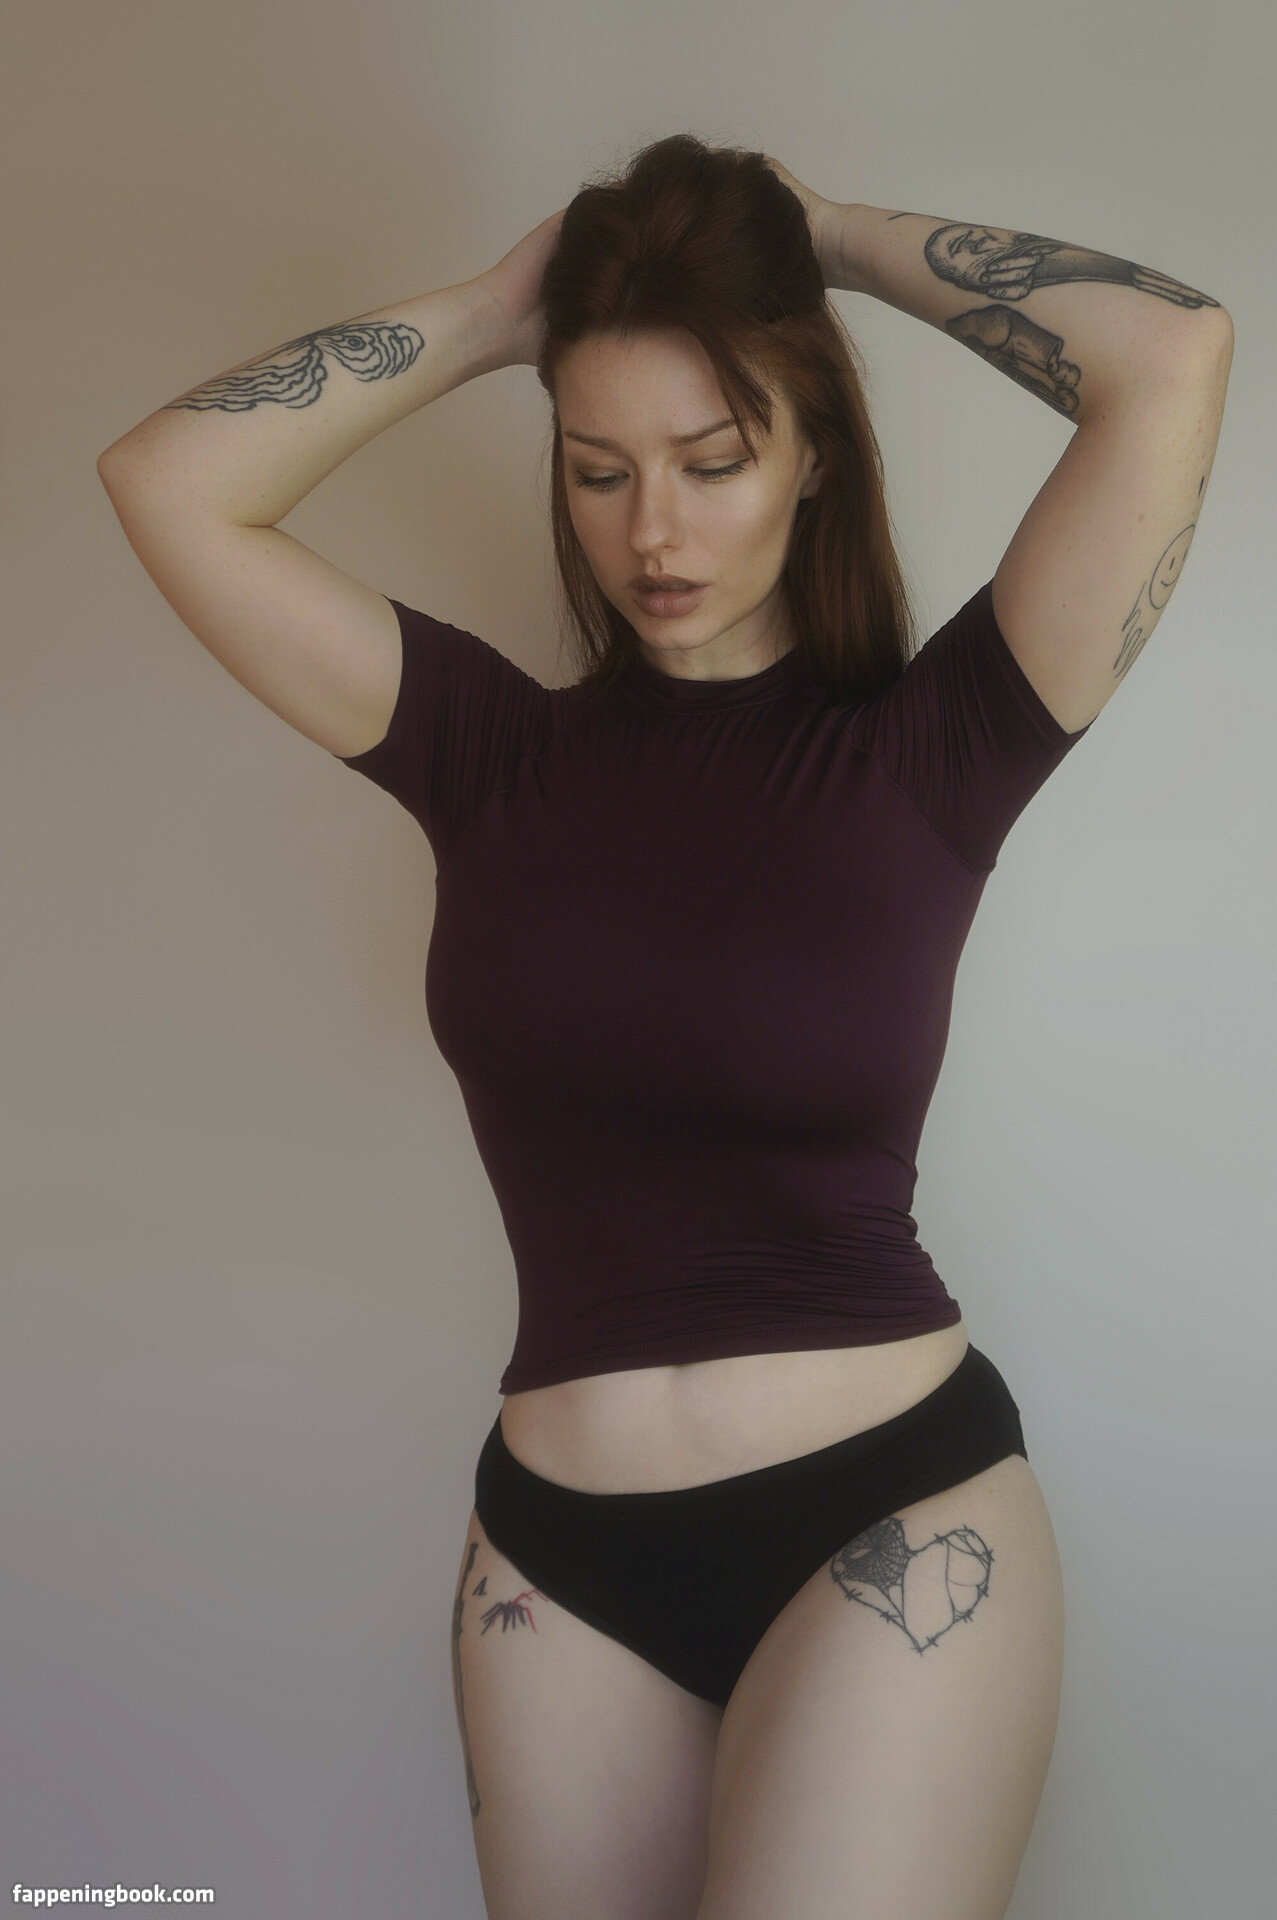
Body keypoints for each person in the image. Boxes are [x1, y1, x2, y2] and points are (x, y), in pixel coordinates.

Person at [98, 133, 1231, 1920]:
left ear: (810, 453)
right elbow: (165, 482)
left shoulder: (934, 748)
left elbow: (1171, 354)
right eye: (597, 467)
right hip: (557, 1561)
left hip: (887, 1512)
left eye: (712, 461)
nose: (651, 530)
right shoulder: (485, 752)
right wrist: (501, 315)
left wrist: (822, 241)